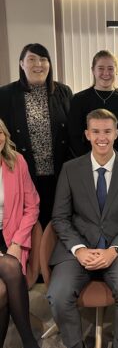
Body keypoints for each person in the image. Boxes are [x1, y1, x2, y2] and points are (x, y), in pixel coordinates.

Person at [47, 108, 118, 348]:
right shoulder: (70, 169)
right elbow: (59, 217)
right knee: (58, 295)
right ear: (87, 134)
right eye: (95, 131)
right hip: (78, 249)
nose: (101, 137)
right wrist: (79, 250)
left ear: (116, 133)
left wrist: (114, 250)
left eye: (107, 131)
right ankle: (75, 347)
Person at [0, 43, 73, 229]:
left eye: (43, 59)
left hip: (58, 173)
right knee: (27, 224)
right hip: (22, 174)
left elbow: (72, 133)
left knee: (57, 223)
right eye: (31, 59)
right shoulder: (5, 95)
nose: (38, 64)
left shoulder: (63, 92)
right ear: (21, 64)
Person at [0, 119, 45, 348]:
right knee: (8, 271)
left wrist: (17, 242)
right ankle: (29, 343)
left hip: (11, 237)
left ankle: (28, 345)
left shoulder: (17, 162)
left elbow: (33, 206)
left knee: (8, 274)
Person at [68, 50, 118, 159]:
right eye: (101, 68)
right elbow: (73, 136)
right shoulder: (79, 99)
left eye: (110, 69)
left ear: (116, 71)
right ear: (93, 71)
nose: (106, 73)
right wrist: (88, 161)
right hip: (87, 162)